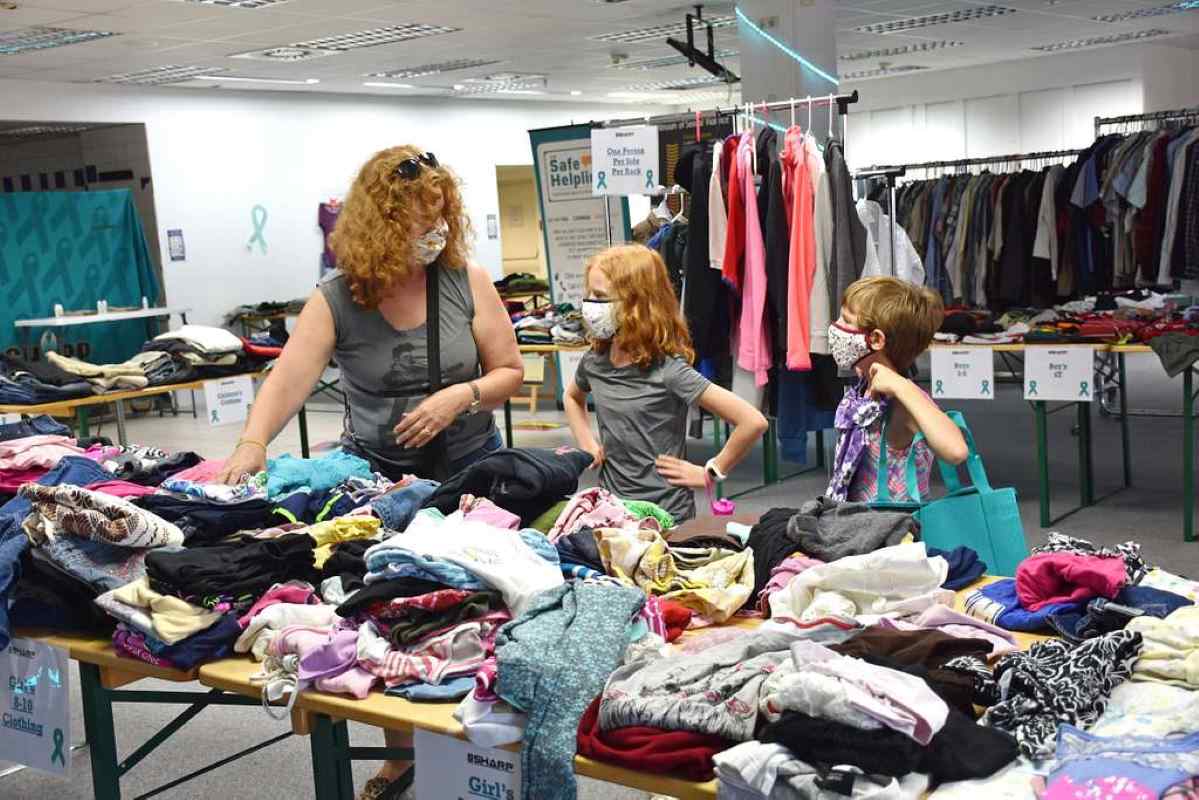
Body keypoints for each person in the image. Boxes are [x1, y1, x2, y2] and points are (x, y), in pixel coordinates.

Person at [215, 145, 523, 800]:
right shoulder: (337, 299)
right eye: (418, 211)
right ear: (380, 220)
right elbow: (288, 379)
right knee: (386, 611)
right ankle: (399, 753)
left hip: (469, 474)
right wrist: (250, 443)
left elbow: (509, 373)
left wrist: (458, 396)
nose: (434, 223)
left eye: (441, 207)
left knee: (478, 609)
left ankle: (477, 753)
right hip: (378, 480)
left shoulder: (466, 280)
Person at [564, 244, 768, 522]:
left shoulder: (668, 369)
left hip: (666, 513)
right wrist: (588, 443)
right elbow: (572, 398)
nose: (589, 304)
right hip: (613, 509)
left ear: (636, 303)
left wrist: (711, 472)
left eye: (600, 296)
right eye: (589, 294)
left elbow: (752, 421)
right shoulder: (595, 360)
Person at [825, 276, 968, 504]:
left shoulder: (899, 398)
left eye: (846, 320)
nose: (835, 327)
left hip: (893, 533)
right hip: (855, 527)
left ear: (876, 339)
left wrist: (902, 386)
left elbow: (956, 451)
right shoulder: (864, 385)